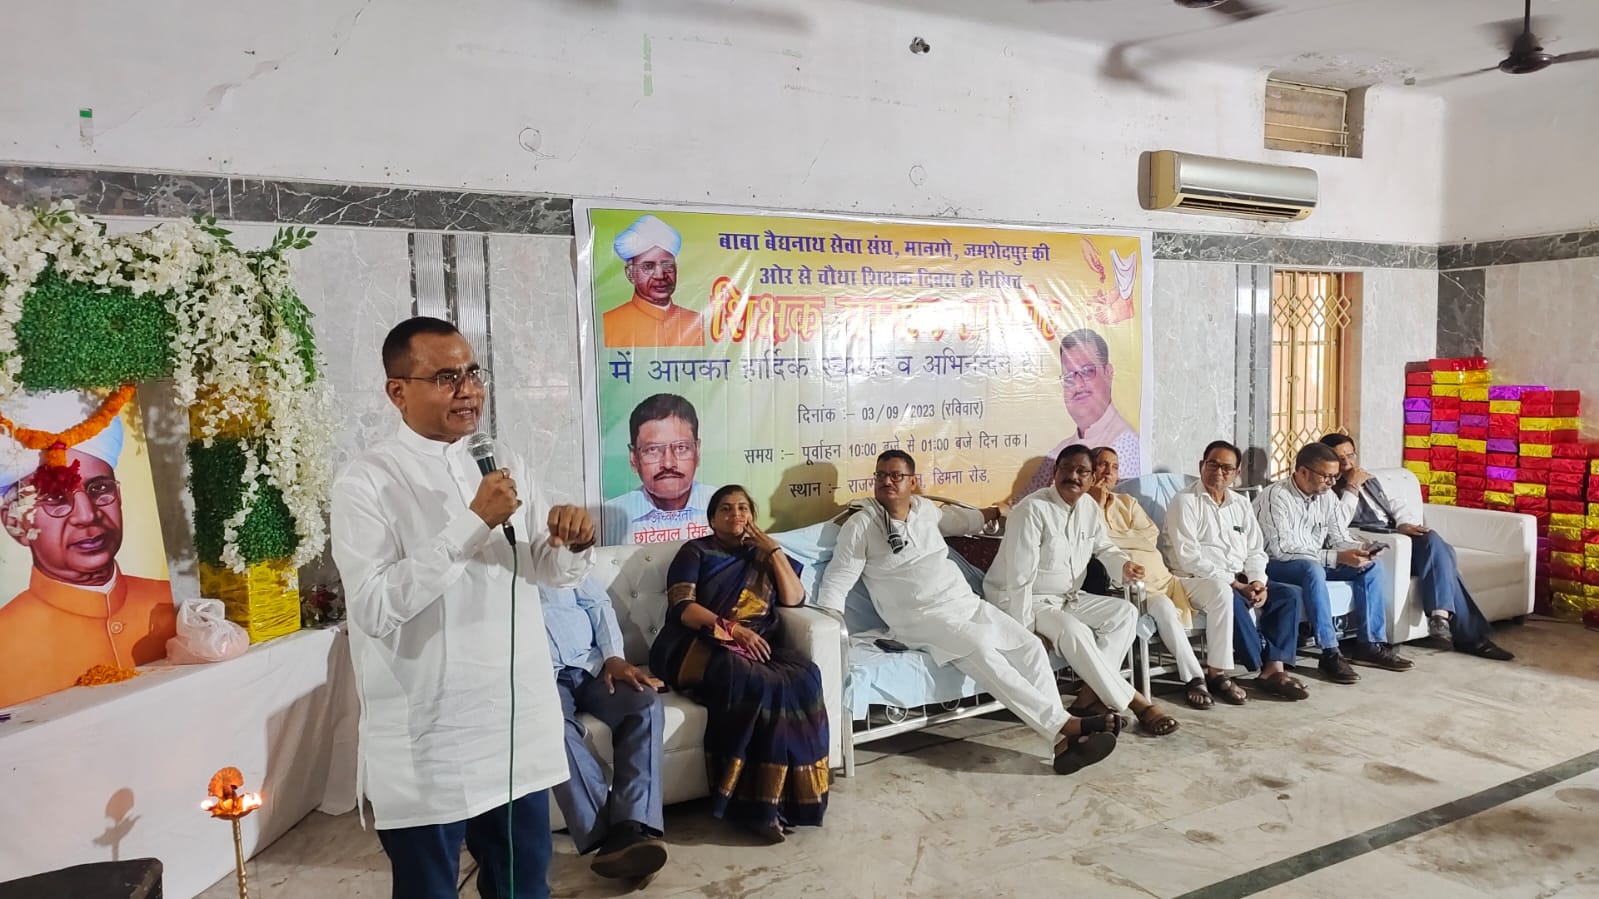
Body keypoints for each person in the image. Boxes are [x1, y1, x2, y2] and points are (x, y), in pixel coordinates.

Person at [330, 316, 597, 899]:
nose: (468, 390)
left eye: (473, 373)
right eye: (446, 377)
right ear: (397, 391)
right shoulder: (366, 481)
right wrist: (472, 522)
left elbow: (540, 569)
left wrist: (571, 545)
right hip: (432, 738)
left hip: (513, 725)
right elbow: (374, 608)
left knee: (523, 888)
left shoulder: (498, 459)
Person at [818, 450, 1119, 775]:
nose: (887, 482)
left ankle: (1061, 744)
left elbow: (963, 520)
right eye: (880, 475)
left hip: (965, 603)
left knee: (1030, 646)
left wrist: (995, 512)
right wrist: (828, 624)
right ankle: (1066, 724)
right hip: (920, 619)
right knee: (980, 647)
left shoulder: (924, 510)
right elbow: (838, 578)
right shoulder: (862, 525)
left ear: (912, 483)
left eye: (896, 476)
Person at [650, 485, 830, 843]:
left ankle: (790, 800)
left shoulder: (762, 554)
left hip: (756, 643)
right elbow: (683, 608)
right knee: (758, 683)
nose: (736, 515)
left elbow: (794, 598)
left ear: (752, 516)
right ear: (712, 519)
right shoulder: (696, 551)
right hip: (701, 642)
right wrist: (732, 631)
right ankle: (753, 808)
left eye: (743, 508)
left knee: (806, 676)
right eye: (726, 509)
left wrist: (773, 551)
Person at [986, 444, 1180, 736]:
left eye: (1082, 472)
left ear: (1091, 479)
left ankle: (1089, 698)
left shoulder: (1089, 508)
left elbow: (1104, 547)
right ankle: (1138, 703)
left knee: (1124, 613)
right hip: (1026, 599)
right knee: (1073, 631)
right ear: (1055, 472)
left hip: (1067, 597)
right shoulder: (1031, 510)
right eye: (1067, 469)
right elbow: (1019, 579)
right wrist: (1024, 632)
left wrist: (1123, 565)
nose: (1073, 476)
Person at [0, 393, 176, 708]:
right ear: (15, 522)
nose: (87, 515)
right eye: (55, 498)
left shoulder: (173, 604)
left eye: (100, 489)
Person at [1320, 433, 1513, 661]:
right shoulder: (1328, 488)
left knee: (1431, 539)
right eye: (1340, 458)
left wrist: (1403, 523)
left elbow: (1396, 504)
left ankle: (1442, 619)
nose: (1347, 463)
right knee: (1445, 555)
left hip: (1397, 536)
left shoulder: (1369, 478)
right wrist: (1352, 486)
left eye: (1350, 455)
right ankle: (1465, 634)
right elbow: (1339, 524)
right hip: (1380, 545)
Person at [1086, 446, 1241, 709]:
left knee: (1221, 590)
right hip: (1135, 589)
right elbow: (1098, 542)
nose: (1108, 472)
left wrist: (1122, 538)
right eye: (1102, 465)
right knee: (1165, 608)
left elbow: (1150, 535)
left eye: (1114, 467)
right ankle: (1194, 678)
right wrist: (1098, 506)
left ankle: (1218, 672)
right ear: (1090, 471)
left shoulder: (1127, 502)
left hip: (1168, 579)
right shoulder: (1082, 507)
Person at [539, 576, 669, 881]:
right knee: (552, 728)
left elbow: (597, 603)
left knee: (645, 704)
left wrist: (614, 658)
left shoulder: (558, 558)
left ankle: (630, 825)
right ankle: (620, 837)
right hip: (540, 676)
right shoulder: (494, 569)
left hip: (592, 664)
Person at [1255, 442, 1412, 685]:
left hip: (1314, 561)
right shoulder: (1276, 496)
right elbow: (1281, 550)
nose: (1331, 482)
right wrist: (1337, 557)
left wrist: (1361, 548)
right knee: (1312, 569)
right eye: (1326, 476)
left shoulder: (1326, 496)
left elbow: (1338, 536)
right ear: (1303, 472)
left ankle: (1369, 645)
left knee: (1370, 567)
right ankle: (1330, 651)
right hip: (1275, 564)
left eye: (1335, 476)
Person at [1163, 440, 1309, 701]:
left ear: (1236, 473)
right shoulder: (1185, 502)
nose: (1219, 472)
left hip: (1240, 577)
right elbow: (1189, 558)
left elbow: (1255, 550)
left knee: (1288, 596)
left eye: (1227, 468)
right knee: (1229, 597)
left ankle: (1274, 669)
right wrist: (1237, 585)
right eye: (1213, 465)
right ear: (1201, 465)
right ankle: (1252, 664)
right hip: (1197, 580)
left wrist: (1258, 582)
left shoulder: (1241, 504)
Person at [1024, 329, 1140, 495]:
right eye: (1069, 376)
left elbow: (1117, 506)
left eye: (1087, 371)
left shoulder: (1125, 444)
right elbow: (1022, 501)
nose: (1078, 384)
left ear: (1108, 373)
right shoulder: (1059, 451)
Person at [601, 393, 714, 546]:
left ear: (697, 452)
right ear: (633, 458)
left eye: (681, 448)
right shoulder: (608, 518)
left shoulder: (724, 507)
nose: (668, 463)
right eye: (653, 449)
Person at [602, 214, 704, 347]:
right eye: (648, 266)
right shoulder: (609, 323)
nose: (660, 275)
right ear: (630, 273)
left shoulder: (696, 322)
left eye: (667, 265)